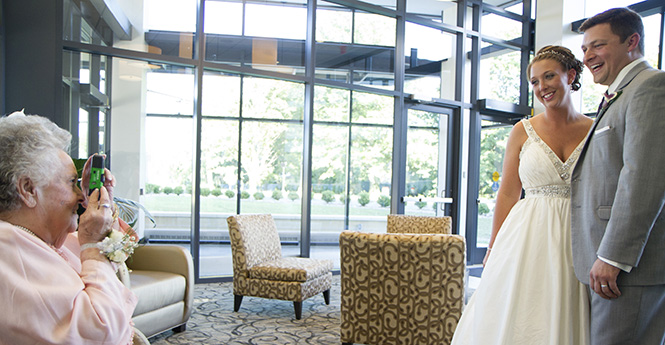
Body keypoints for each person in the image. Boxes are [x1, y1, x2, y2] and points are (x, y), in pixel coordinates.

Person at [451, 45, 593, 344]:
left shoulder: (595, 129)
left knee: (568, 307)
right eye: (535, 82)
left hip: (578, 235)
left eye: (549, 76)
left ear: (571, 75)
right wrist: (492, 248)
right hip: (527, 236)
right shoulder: (521, 130)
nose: (542, 87)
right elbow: (507, 194)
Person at [0, 111, 138, 344]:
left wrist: (103, 210)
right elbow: (103, 333)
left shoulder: (38, 240)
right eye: (71, 183)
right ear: (28, 189)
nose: (79, 197)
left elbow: (115, 253)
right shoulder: (10, 248)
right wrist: (93, 248)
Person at [572, 7, 665, 345]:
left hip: (628, 268)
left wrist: (613, 256)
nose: (588, 56)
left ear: (632, 42)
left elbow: (643, 177)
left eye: (597, 45)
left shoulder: (650, 86)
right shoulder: (620, 93)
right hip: (608, 261)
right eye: (584, 49)